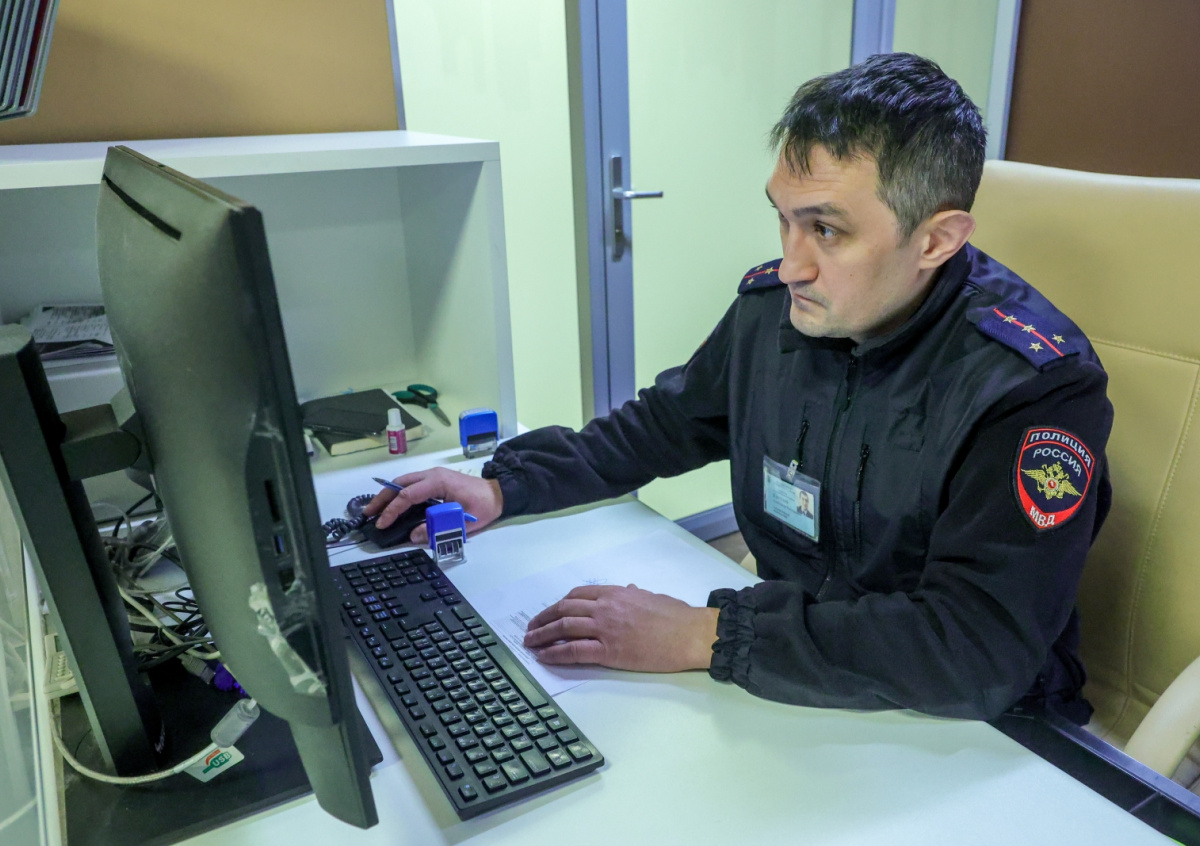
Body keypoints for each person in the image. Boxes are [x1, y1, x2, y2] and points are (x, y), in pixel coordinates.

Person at [365, 53, 1113, 724]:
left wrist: (710, 634)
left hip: (969, 728)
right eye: (784, 220)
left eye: (826, 230)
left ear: (937, 240)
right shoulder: (778, 310)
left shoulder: (1030, 388)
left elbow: (974, 647)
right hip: (800, 677)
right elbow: (664, 424)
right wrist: (505, 486)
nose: (791, 264)